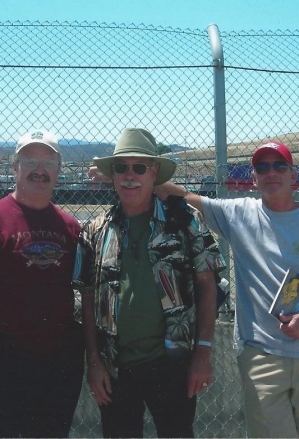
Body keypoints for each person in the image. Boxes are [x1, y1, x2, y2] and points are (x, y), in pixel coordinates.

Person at [73, 127, 226, 438]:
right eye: (121, 167)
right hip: (115, 367)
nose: (130, 176)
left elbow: (208, 286)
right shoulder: (93, 232)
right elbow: (87, 298)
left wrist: (203, 353)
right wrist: (94, 362)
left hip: (172, 364)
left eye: (139, 167)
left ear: (154, 173)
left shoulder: (184, 222)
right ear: (112, 175)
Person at [155, 140, 299, 438]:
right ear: (253, 176)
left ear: (292, 174)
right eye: (262, 167)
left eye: (279, 165)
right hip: (262, 355)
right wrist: (121, 173)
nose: (271, 173)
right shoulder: (239, 214)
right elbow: (179, 194)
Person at [0, 130, 85, 438]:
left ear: (59, 170)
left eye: (48, 162)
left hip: (57, 360)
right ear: (14, 167)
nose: (39, 170)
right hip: (7, 357)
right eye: (30, 161)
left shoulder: (70, 226)